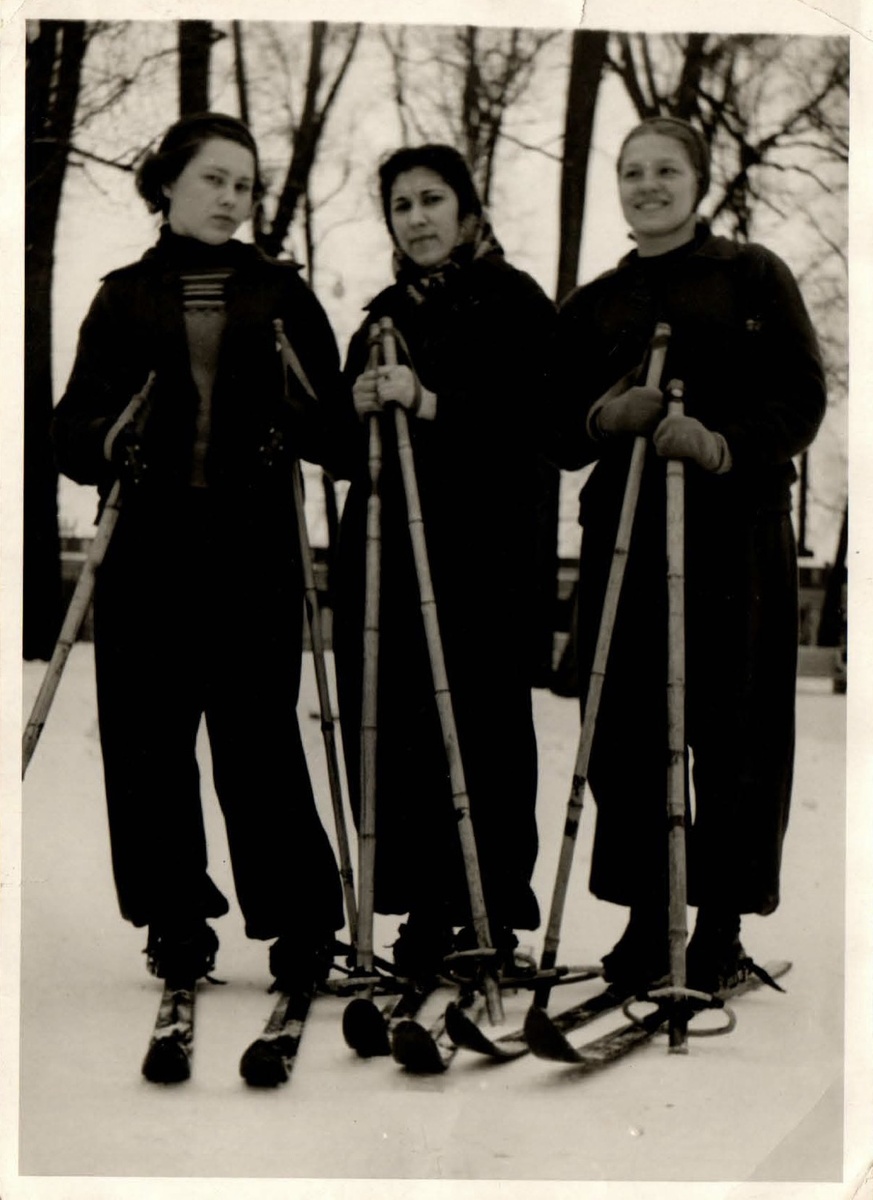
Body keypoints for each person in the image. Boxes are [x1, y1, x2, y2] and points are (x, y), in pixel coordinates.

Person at [51, 113, 348, 993]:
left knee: (257, 735)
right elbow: (70, 433)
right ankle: (174, 920)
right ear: (169, 183)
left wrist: (310, 409)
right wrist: (113, 439)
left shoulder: (282, 293)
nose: (231, 198)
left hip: (252, 543)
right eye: (215, 179)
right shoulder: (122, 296)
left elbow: (334, 431)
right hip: (148, 545)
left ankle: (300, 922)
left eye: (245, 185)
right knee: (147, 739)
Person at [546, 117, 827, 996]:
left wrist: (721, 443)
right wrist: (601, 416)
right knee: (629, 731)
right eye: (631, 172)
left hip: (731, 534)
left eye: (665, 170)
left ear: (697, 182)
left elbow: (801, 397)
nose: (647, 185)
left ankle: (718, 927)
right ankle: (641, 922)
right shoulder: (595, 302)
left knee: (729, 726)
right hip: (625, 535)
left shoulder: (751, 274)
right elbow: (551, 426)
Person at [331, 144, 556, 981]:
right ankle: (424, 909)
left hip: (481, 554)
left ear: (466, 210)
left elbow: (535, 422)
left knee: (481, 729)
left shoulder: (513, 301)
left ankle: (485, 910)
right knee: (401, 734)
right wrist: (351, 410)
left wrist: (428, 402)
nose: (418, 218)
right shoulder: (382, 315)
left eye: (433, 200)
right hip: (389, 556)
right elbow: (347, 451)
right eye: (401, 205)